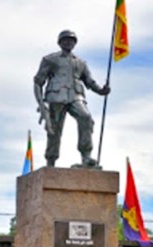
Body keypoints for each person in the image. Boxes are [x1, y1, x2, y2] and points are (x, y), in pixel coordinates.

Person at [33, 29, 111, 168]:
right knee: (54, 129)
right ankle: (51, 160)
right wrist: (41, 104)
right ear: (60, 42)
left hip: (76, 96)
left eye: (71, 40)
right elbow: (38, 82)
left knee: (85, 117)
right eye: (65, 40)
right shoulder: (50, 60)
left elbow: (89, 82)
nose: (68, 42)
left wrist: (101, 90)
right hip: (56, 96)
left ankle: (86, 156)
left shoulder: (80, 62)